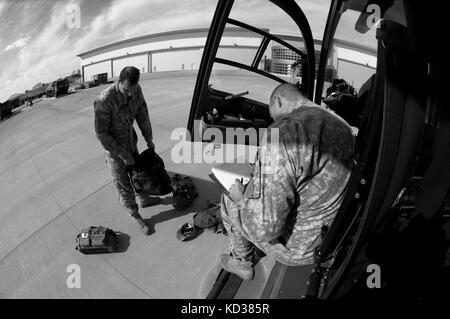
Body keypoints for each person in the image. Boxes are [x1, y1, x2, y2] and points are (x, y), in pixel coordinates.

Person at [219, 83, 355, 280]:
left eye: (273, 115)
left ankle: (242, 262)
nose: (275, 121)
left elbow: (266, 228)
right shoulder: (340, 123)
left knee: (227, 199)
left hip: (301, 249)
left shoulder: (283, 134)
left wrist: (241, 199)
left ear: (278, 101)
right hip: (333, 232)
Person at [94, 66, 159, 235]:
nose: (130, 94)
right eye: (126, 90)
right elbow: (101, 134)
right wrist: (122, 154)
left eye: (133, 89)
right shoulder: (104, 100)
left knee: (137, 174)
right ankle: (134, 213)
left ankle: (143, 199)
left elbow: (142, 115)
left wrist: (149, 138)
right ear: (119, 82)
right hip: (114, 150)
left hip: (131, 141)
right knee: (122, 182)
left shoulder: (136, 91)